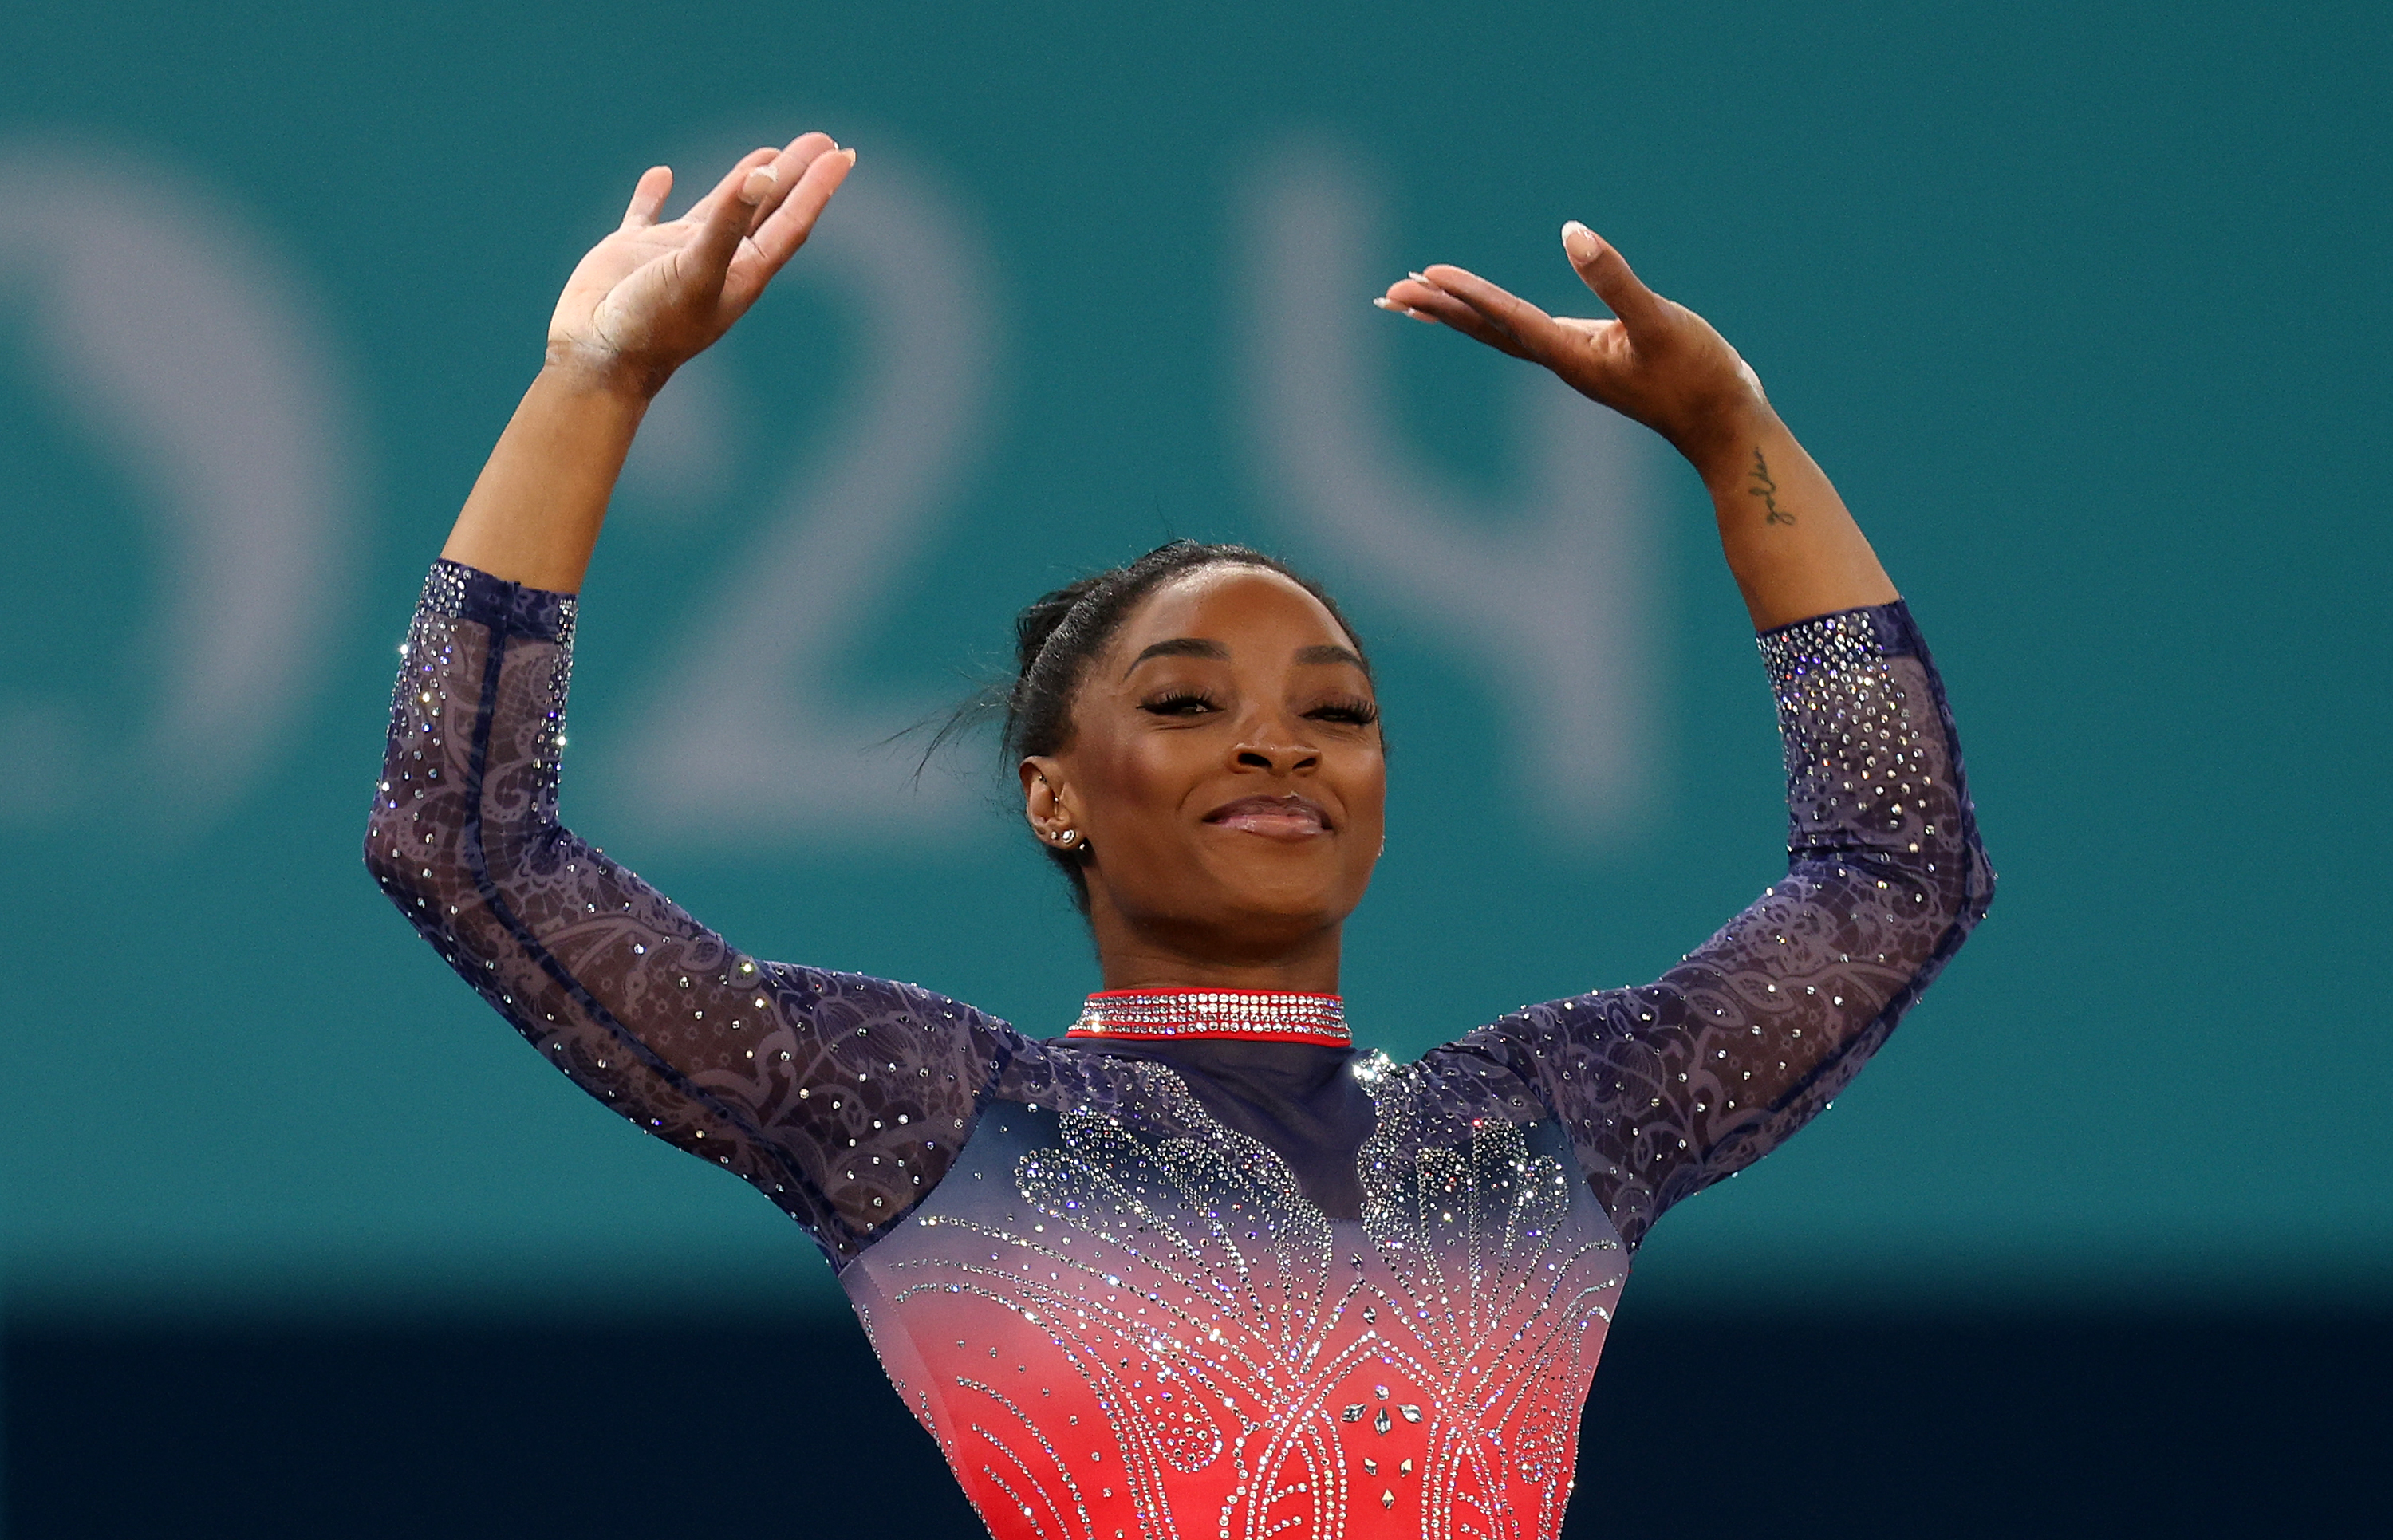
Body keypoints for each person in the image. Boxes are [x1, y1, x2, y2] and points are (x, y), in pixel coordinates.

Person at [368, 132, 1992, 1539]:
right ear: (1053, 793)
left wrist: (1741, 448)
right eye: (1189, 703)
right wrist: (592, 383)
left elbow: (1896, 872)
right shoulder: (933, 1117)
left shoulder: (1553, 1125)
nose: (1278, 737)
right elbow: (470, 850)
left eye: (1337, 710)